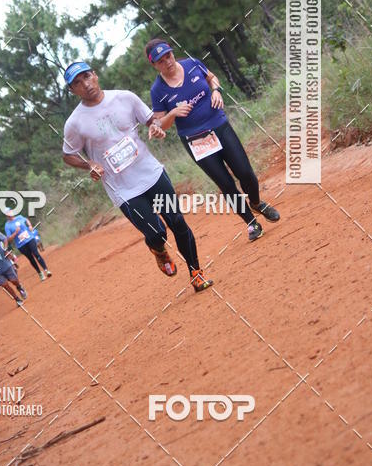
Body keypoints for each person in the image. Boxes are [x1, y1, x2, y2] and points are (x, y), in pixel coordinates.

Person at [61, 61, 213, 292]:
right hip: (123, 189)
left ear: (95, 75)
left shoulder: (125, 98)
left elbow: (151, 119)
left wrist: (155, 126)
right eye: (78, 83)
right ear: (72, 91)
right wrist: (89, 163)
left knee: (177, 222)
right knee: (157, 232)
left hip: (151, 172)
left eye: (87, 76)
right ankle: (158, 249)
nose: (86, 84)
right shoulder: (74, 123)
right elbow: (68, 155)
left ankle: (196, 273)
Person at [146, 39, 280, 242]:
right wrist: (172, 113)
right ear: (154, 65)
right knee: (225, 183)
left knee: (245, 173)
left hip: (219, 124)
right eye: (161, 61)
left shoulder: (192, 64)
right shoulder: (158, 90)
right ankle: (251, 223)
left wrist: (216, 91)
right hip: (195, 139)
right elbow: (160, 123)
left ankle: (256, 202)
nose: (168, 62)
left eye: (169, 56)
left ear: (173, 54)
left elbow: (212, 78)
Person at [4, 209, 52, 281]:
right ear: (6, 215)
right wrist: (15, 233)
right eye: (8, 214)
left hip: (29, 238)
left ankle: (46, 270)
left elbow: (26, 219)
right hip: (21, 245)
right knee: (31, 258)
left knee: (36, 254)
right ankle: (40, 273)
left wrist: (30, 226)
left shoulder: (19, 217)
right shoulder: (7, 226)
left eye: (10, 212)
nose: (10, 215)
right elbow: (9, 239)